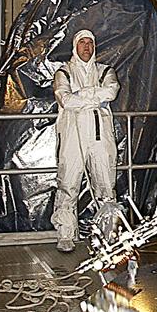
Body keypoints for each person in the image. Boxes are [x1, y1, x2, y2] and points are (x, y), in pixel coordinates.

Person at [51, 29, 119, 252]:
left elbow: (111, 92)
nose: (87, 47)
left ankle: (109, 236)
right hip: (72, 135)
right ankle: (65, 234)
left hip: (100, 137)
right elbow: (65, 99)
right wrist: (93, 96)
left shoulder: (105, 71)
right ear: (75, 46)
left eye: (90, 43)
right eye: (82, 43)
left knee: (106, 185)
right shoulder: (64, 72)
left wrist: (81, 95)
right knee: (68, 183)